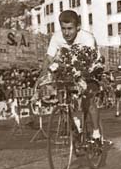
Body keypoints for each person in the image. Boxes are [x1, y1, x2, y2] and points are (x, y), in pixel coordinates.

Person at [40, 9, 102, 141]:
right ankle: (74, 121)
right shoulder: (56, 37)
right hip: (68, 69)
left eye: (70, 28)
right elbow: (48, 58)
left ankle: (96, 132)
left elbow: (89, 60)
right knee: (65, 94)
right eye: (63, 29)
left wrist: (79, 74)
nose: (66, 33)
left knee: (88, 100)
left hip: (89, 68)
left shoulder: (87, 37)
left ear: (78, 27)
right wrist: (43, 77)